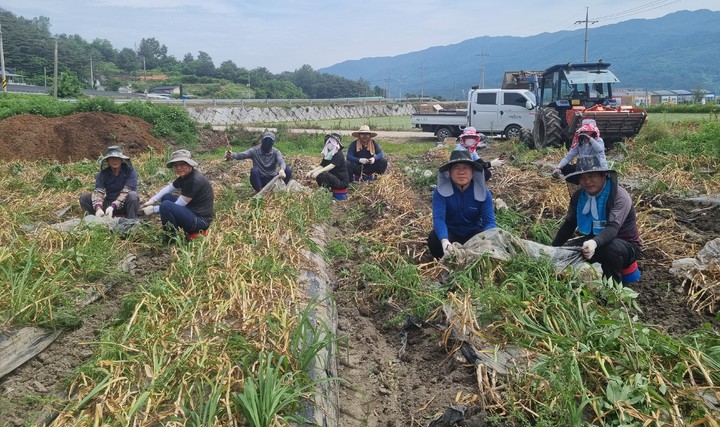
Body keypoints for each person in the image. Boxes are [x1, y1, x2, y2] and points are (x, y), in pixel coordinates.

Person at [551, 154, 641, 284]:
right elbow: (569, 225)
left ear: (603, 175)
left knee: (610, 249)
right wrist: (553, 249)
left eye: (592, 176)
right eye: (583, 177)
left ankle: (613, 288)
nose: (587, 181)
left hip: (625, 245)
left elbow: (613, 228)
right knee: (570, 251)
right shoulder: (579, 197)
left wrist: (594, 243)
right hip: (595, 240)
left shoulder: (619, 196)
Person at [428, 149, 497, 259]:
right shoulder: (440, 192)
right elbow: (439, 219)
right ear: (450, 172)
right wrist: (444, 241)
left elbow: (489, 222)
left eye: (466, 167)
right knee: (434, 240)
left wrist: (487, 238)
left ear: (473, 171)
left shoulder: (484, 193)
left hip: (473, 234)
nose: (461, 172)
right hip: (451, 232)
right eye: (456, 168)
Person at [141, 149, 215, 241]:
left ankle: (171, 238)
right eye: (176, 165)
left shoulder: (194, 181)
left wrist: (153, 209)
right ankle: (173, 230)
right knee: (166, 197)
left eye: (182, 164)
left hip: (200, 222)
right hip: (191, 212)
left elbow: (180, 204)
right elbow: (168, 188)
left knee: (166, 205)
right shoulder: (185, 176)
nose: (179, 168)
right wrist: (152, 200)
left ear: (189, 164)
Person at [79, 145, 139, 218]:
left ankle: (131, 221)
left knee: (133, 196)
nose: (114, 161)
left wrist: (113, 206)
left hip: (124, 204)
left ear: (121, 159)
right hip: (109, 204)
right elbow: (99, 192)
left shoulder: (130, 172)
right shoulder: (102, 174)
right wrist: (98, 207)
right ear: (107, 161)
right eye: (111, 159)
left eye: (117, 158)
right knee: (84, 198)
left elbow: (126, 192)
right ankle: (95, 219)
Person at [225, 131, 292, 192]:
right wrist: (231, 155)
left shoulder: (275, 152)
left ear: (273, 142)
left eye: (270, 141)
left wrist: (282, 169)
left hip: (272, 179)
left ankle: (280, 189)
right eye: (266, 140)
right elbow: (242, 155)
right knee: (254, 171)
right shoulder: (254, 151)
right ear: (262, 141)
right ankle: (260, 192)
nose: (267, 142)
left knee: (288, 170)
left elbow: (281, 161)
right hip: (260, 179)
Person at [306, 133, 350, 197]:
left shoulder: (338, 154)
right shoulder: (328, 154)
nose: (330, 144)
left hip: (341, 182)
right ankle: (324, 191)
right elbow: (322, 166)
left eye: (332, 142)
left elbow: (332, 165)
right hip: (333, 178)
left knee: (325, 175)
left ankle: (327, 193)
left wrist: (318, 172)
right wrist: (311, 172)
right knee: (319, 176)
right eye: (328, 142)